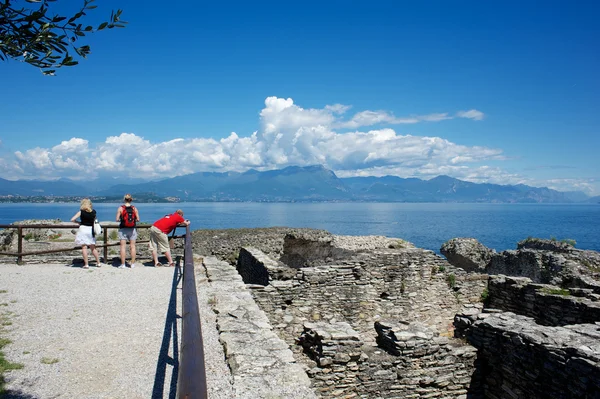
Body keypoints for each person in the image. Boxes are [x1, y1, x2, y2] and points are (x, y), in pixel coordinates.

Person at [70, 198, 103, 269]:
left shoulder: (81, 212)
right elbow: (95, 221)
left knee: (84, 248)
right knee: (93, 248)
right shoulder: (94, 212)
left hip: (83, 229)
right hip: (90, 230)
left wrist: (79, 222)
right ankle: (98, 262)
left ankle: (86, 264)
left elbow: (72, 219)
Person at [115, 193, 140, 269]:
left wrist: (122, 219)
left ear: (124, 199)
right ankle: (132, 264)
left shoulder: (121, 208)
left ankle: (123, 264)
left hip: (123, 229)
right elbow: (138, 219)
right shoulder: (134, 208)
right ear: (131, 200)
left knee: (123, 247)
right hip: (132, 229)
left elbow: (117, 219)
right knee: (132, 247)